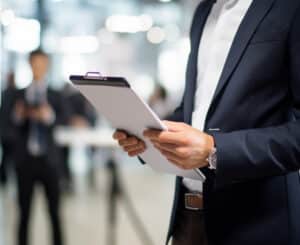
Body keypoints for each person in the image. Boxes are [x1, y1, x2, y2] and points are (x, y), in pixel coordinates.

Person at [113, 1, 300, 245]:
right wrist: (145, 133)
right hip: (187, 222)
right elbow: (194, 112)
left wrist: (215, 151)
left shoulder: (290, 7)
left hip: (257, 225)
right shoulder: (202, 13)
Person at [11, 49, 66, 245]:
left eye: (42, 64)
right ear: (29, 64)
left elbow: (64, 120)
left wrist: (48, 116)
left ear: (47, 65)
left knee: (55, 213)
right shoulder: (16, 94)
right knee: (24, 212)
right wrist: (19, 116)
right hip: (25, 161)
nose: (38, 68)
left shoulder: (56, 95)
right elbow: (7, 126)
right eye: (35, 63)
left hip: (50, 161)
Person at [0, 72, 18, 186]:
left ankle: (4, 178)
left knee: (7, 157)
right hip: (9, 132)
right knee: (9, 157)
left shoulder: (5, 92)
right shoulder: (13, 93)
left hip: (6, 132)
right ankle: (5, 178)